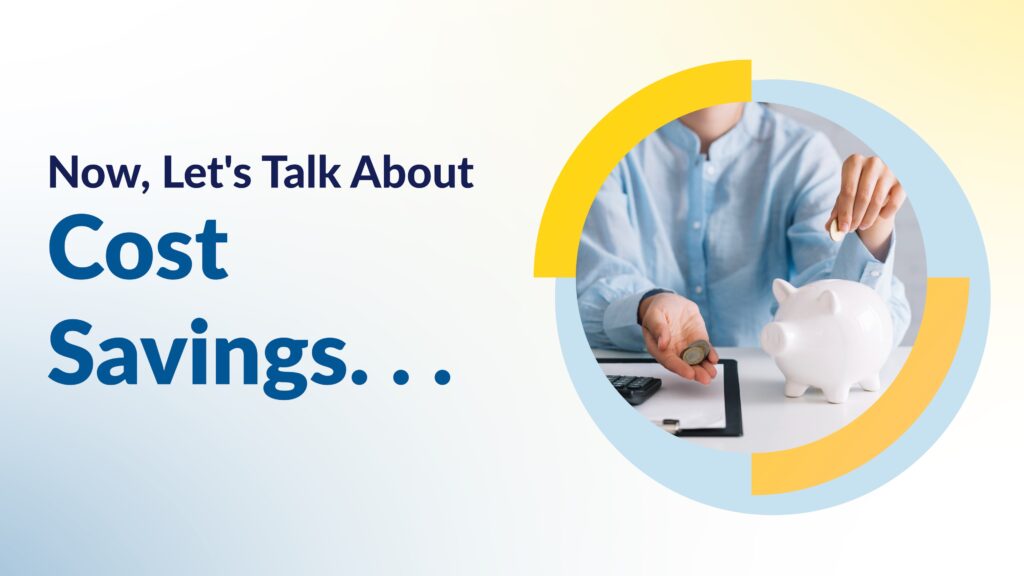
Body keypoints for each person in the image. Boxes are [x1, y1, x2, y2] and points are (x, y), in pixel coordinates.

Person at [577, 102, 911, 384]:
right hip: (644, 383)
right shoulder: (608, 150)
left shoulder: (803, 154)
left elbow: (850, 317)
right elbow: (590, 291)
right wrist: (647, 305)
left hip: (771, 392)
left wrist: (873, 228)